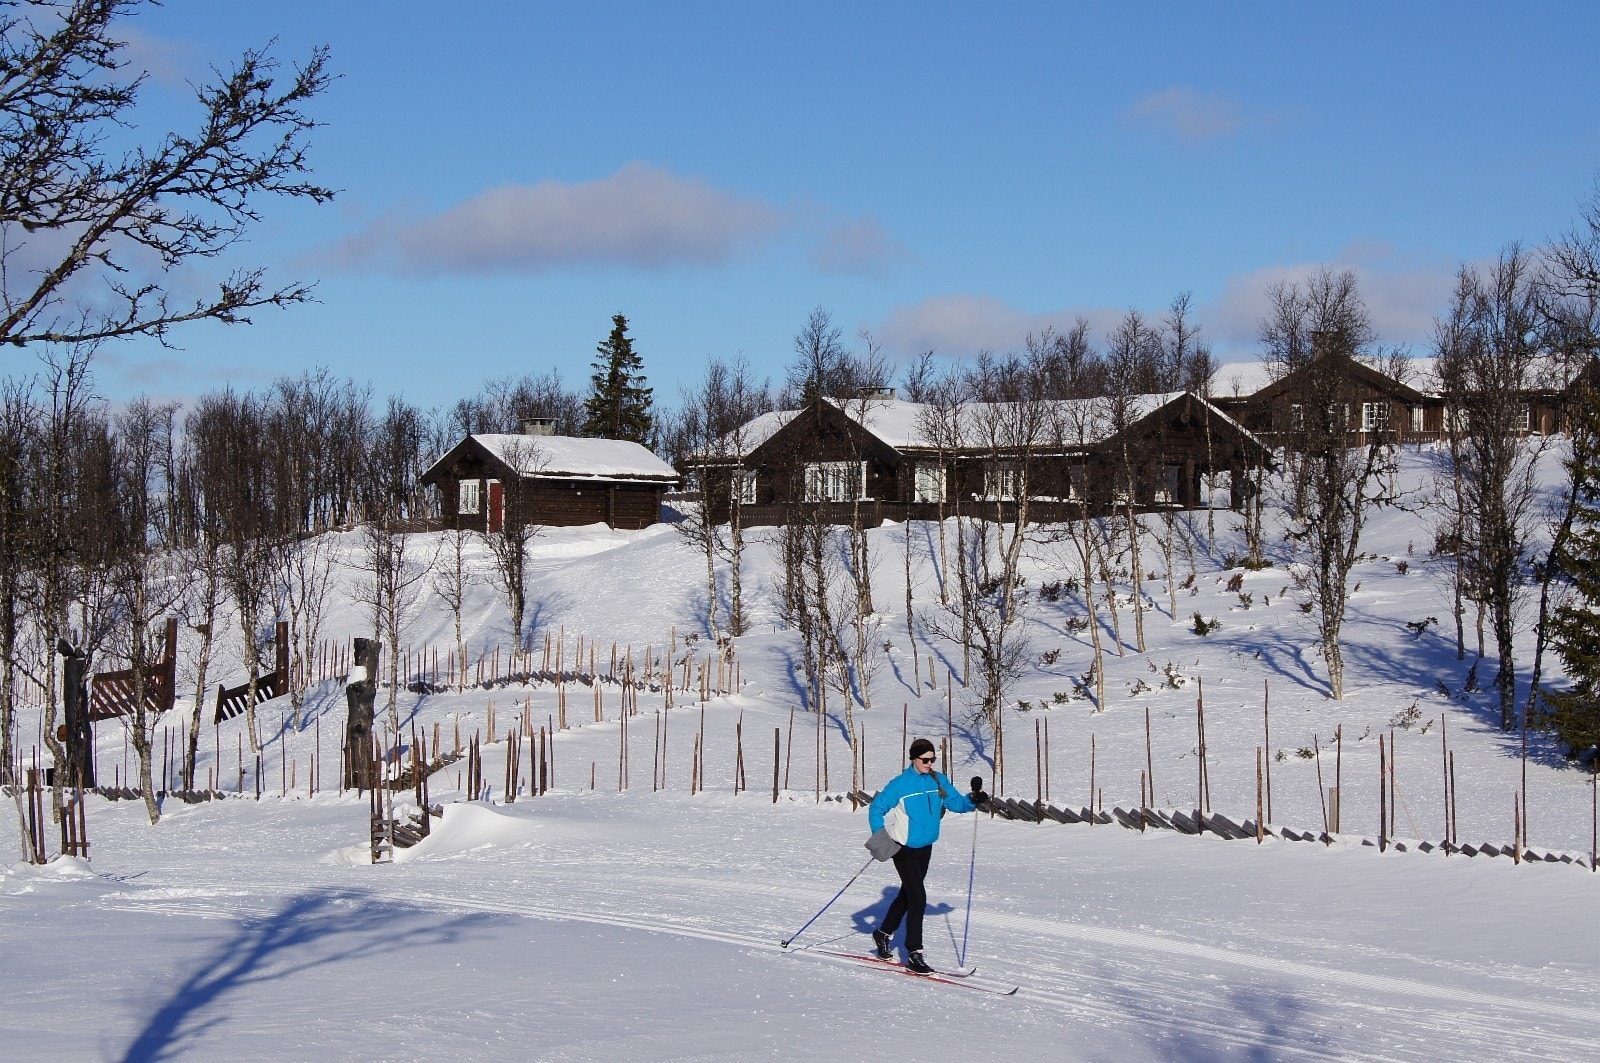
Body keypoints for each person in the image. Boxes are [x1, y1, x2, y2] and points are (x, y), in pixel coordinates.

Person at [864, 737, 977, 973]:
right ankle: (914, 953)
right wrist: (880, 838)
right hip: (903, 848)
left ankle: (882, 933)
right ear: (913, 758)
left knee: (908, 894)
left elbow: (955, 802)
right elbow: (877, 808)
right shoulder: (901, 784)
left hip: (925, 847)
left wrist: (972, 800)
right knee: (918, 898)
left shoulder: (937, 779)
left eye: (933, 759)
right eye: (925, 759)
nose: (930, 763)